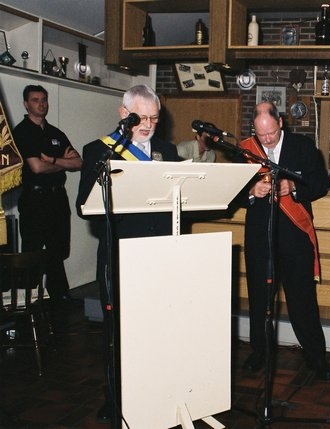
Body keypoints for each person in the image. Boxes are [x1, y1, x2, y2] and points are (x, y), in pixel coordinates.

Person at [76, 84, 180, 423]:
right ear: (124, 114)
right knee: (117, 334)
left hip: (160, 256)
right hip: (120, 256)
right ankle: (115, 397)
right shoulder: (99, 151)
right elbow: (84, 206)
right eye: (141, 118)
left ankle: (155, 393)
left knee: (157, 331)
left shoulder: (167, 150)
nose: (148, 125)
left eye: (154, 118)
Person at [237, 101, 330, 381]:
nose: (267, 140)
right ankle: (260, 353)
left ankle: (316, 357)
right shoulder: (245, 150)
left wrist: (292, 187)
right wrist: (252, 190)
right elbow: (232, 191)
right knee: (259, 301)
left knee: (302, 302)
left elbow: (320, 183)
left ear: (280, 122)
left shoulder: (303, 147)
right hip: (259, 239)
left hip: (295, 239)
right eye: (261, 135)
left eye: (271, 132)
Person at [12, 84, 83, 324]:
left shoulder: (55, 133)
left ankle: (59, 296)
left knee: (57, 250)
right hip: (34, 199)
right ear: (26, 104)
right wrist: (62, 163)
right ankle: (29, 301)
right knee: (33, 250)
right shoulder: (22, 132)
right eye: (35, 100)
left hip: (57, 198)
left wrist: (52, 159)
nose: (41, 104)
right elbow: (36, 167)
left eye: (44, 99)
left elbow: (78, 163)